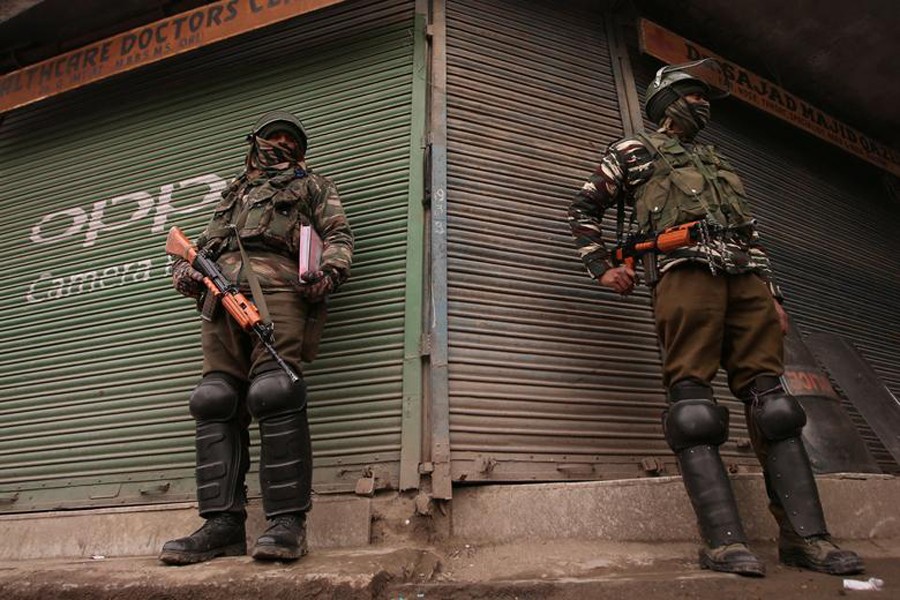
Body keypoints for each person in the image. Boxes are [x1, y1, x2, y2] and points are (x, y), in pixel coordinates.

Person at [567, 60, 863, 577]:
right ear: (665, 100)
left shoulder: (715, 160)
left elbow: (748, 234)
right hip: (684, 276)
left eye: (704, 97)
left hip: (744, 280)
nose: (702, 103)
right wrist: (601, 266)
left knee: (776, 408)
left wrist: (772, 295)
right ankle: (725, 544)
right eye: (692, 94)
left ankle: (805, 540)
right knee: (694, 409)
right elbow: (583, 210)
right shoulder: (632, 151)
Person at [159, 110, 353, 565]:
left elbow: (339, 235)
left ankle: (287, 523)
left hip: (280, 294)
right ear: (257, 142)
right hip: (218, 299)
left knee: (275, 390)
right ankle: (222, 525)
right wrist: (185, 272)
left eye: (290, 140)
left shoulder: (312, 186)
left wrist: (329, 273)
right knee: (213, 399)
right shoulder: (235, 193)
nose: (282, 145)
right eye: (274, 137)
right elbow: (201, 246)